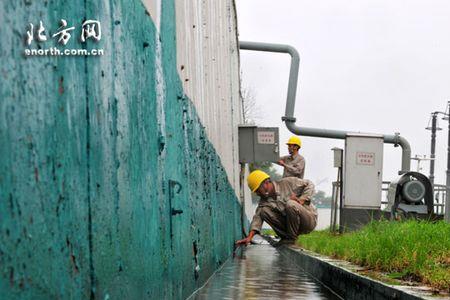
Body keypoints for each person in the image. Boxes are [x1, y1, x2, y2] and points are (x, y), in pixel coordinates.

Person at [236, 170, 317, 246]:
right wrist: (249, 238)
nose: (257, 194)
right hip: (292, 226)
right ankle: (286, 237)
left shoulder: (288, 183)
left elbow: (310, 184)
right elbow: (257, 219)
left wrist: (301, 200)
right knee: (263, 211)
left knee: (291, 204)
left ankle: (291, 239)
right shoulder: (264, 201)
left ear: (266, 183)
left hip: (308, 220)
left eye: (258, 190)